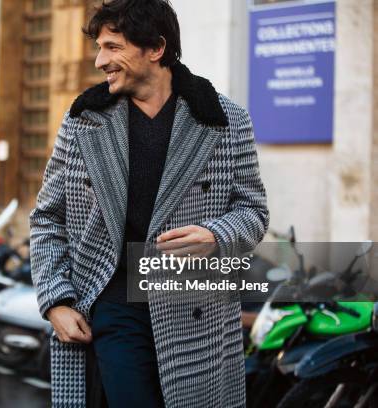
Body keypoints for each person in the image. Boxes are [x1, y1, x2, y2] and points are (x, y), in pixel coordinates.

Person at [29, 0, 270, 407]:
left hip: (195, 308)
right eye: (99, 47)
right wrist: (55, 299)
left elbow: (254, 212)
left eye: (112, 47)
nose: (100, 60)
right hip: (114, 301)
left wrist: (216, 235)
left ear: (155, 49)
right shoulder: (84, 120)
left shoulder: (224, 120)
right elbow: (48, 219)